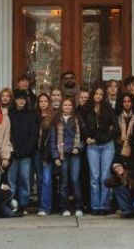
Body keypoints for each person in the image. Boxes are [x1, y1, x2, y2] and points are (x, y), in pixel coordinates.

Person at [82, 85, 117, 213]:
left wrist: (98, 138)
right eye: (96, 93)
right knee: (94, 177)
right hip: (92, 147)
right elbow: (82, 126)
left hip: (107, 145)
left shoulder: (108, 109)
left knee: (105, 176)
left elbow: (115, 129)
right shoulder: (86, 109)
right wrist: (87, 137)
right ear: (92, 94)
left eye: (101, 94)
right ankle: (95, 206)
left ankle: (104, 206)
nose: (98, 96)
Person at [48, 97, 85, 215]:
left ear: (72, 107)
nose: (67, 107)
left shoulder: (77, 119)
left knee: (75, 180)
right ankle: (64, 208)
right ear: (61, 107)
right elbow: (53, 140)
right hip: (62, 154)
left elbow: (83, 138)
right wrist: (55, 156)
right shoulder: (56, 120)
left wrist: (78, 148)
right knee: (64, 182)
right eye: (65, 105)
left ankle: (79, 207)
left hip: (74, 154)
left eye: (69, 105)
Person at [8, 90, 40, 213]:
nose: (21, 101)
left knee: (25, 180)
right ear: (14, 100)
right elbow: (9, 133)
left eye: (23, 99)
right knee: (12, 181)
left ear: (26, 100)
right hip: (13, 153)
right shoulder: (10, 114)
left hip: (27, 153)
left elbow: (34, 134)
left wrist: (27, 149)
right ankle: (11, 204)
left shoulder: (31, 114)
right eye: (18, 98)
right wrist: (14, 149)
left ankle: (24, 204)